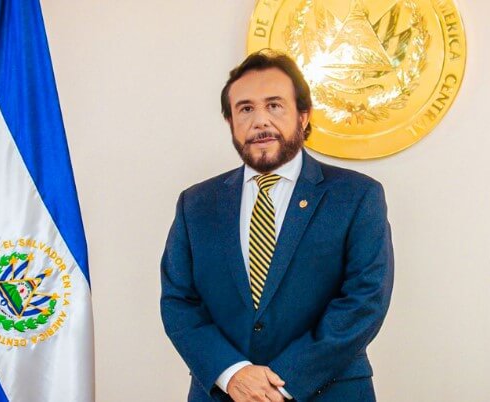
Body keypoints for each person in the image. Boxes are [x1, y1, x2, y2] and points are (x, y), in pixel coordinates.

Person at [160, 49, 394, 402]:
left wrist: (278, 384)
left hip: (330, 392)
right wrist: (233, 374)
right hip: (224, 393)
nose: (260, 120)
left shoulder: (357, 196)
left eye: (274, 105)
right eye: (246, 108)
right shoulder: (196, 204)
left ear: (303, 115)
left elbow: (364, 301)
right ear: (231, 122)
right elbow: (179, 302)